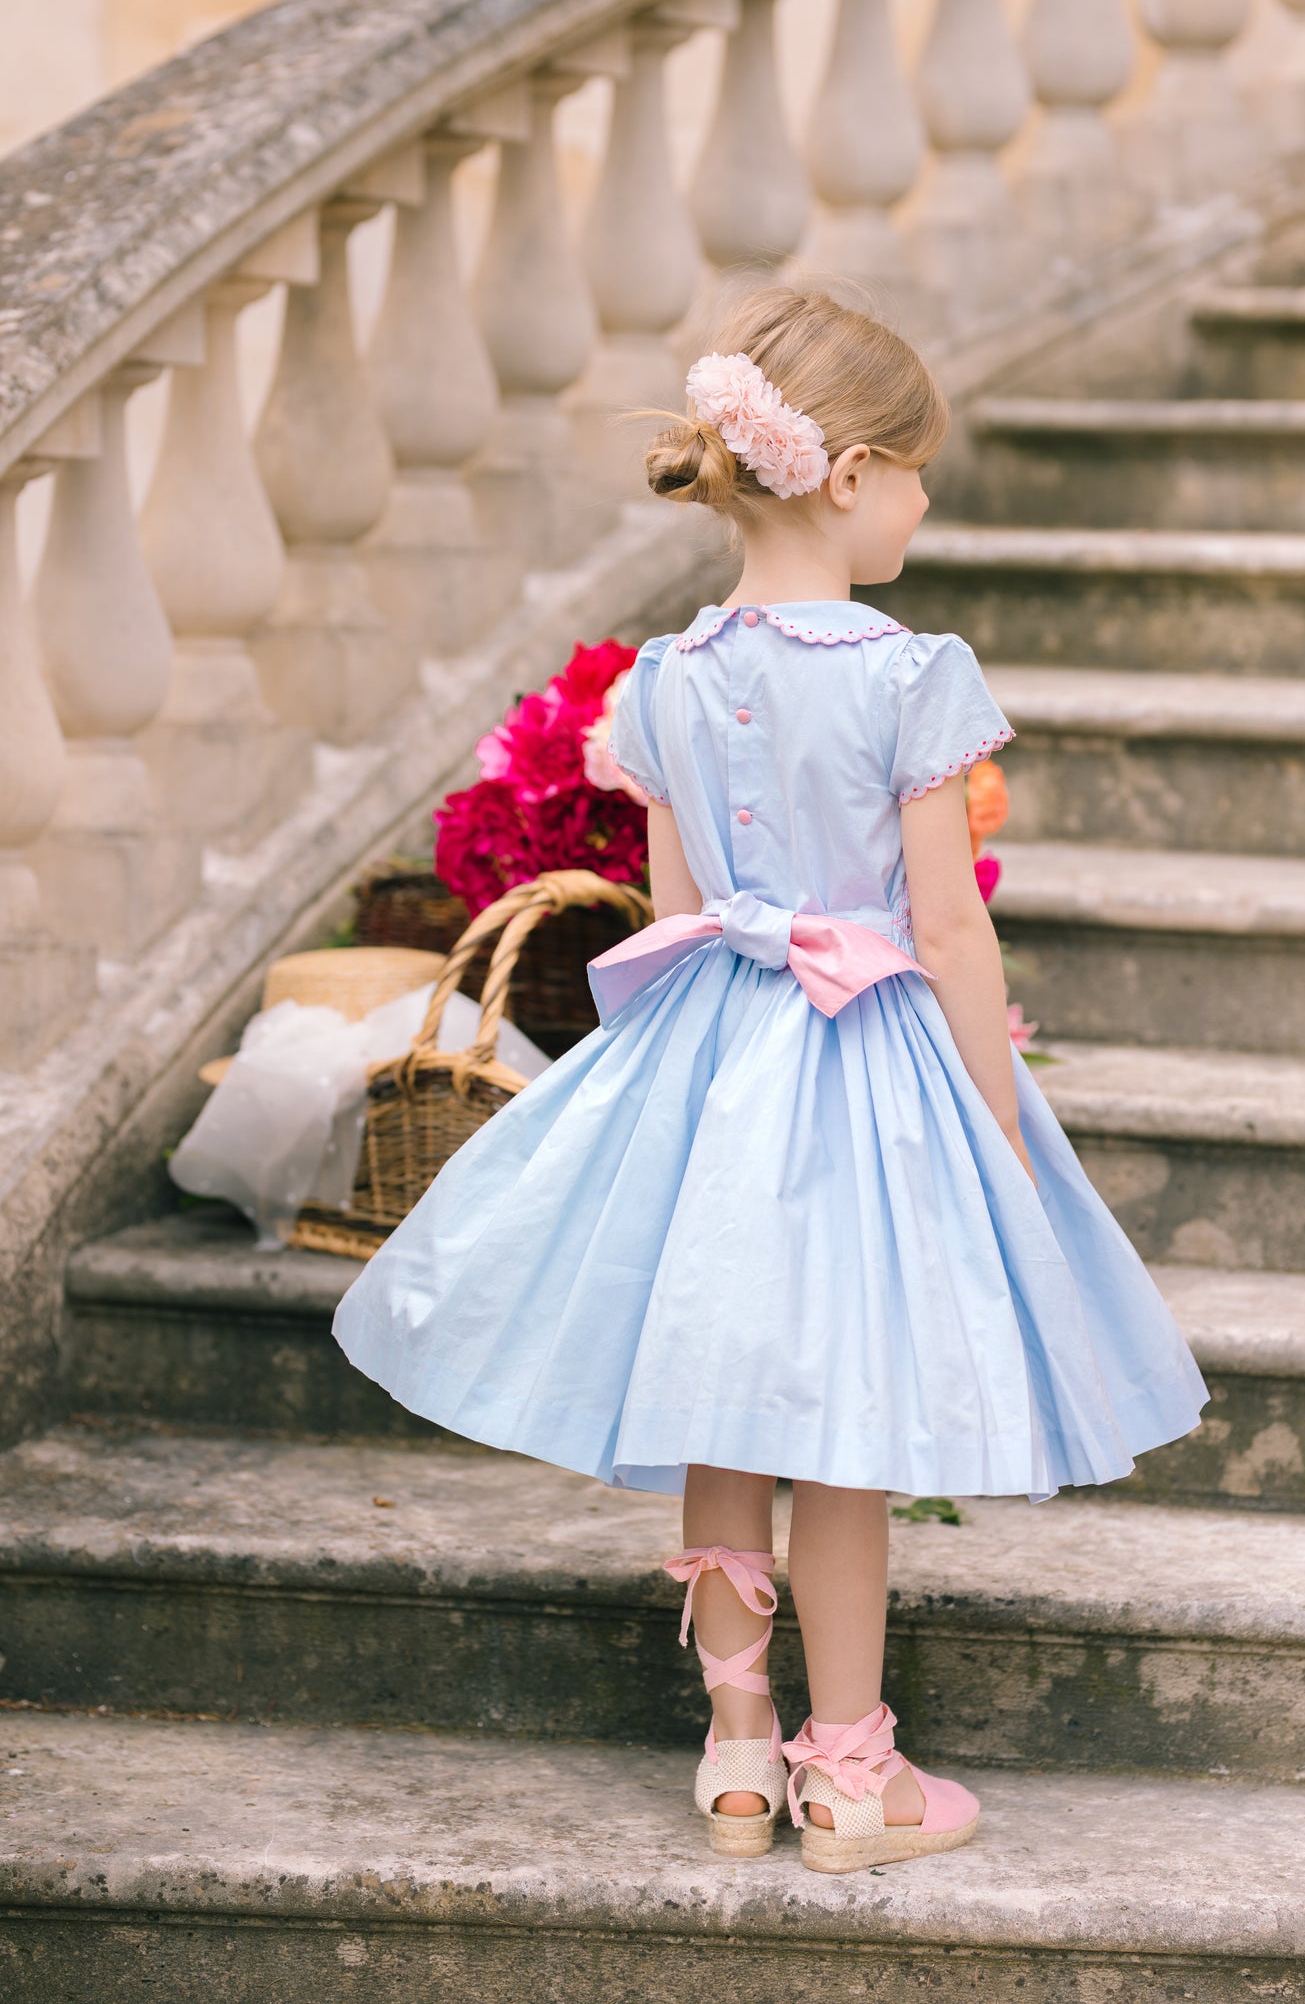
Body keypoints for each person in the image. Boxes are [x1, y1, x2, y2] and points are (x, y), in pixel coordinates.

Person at [332, 287, 1209, 1876]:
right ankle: (847, 1779)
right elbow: (945, 924)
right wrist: (994, 1127)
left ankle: (735, 1755)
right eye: (921, 471)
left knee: (719, 1394)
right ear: (852, 471)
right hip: (865, 1065)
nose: (927, 502)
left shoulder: (661, 678)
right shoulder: (906, 673)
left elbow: (679, 919)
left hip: (714, 1059)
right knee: (844, 1416)